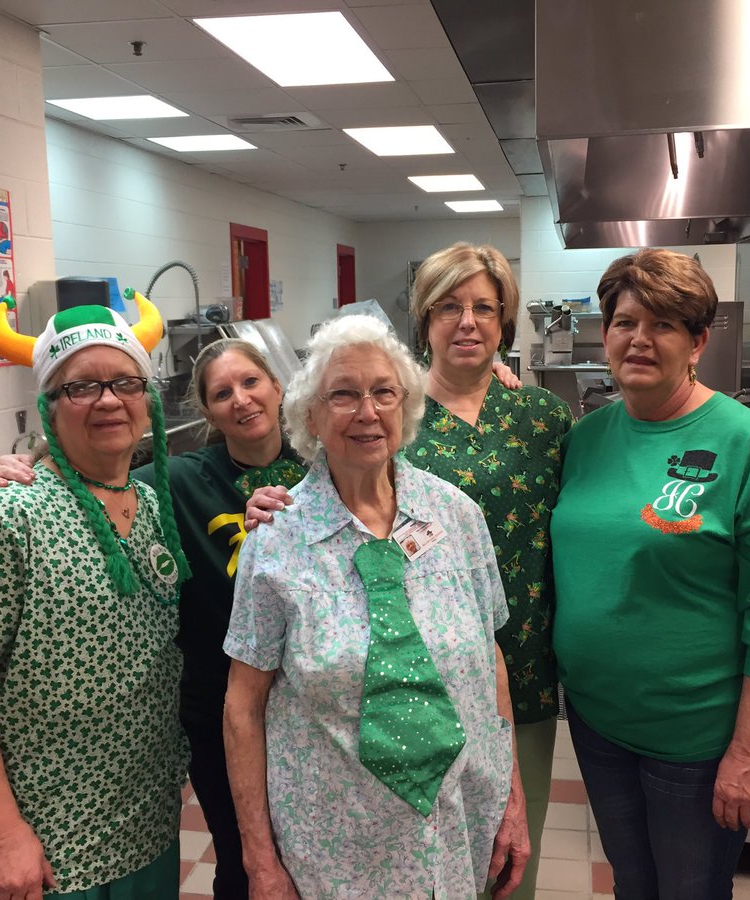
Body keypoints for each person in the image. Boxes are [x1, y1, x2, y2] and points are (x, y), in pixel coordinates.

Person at [248, 242, 570, 899]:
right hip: (350, 738)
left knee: (501, 869)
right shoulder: (385, 422)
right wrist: (265, 507)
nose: (468, 321)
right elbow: (318, 468)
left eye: (484, 307)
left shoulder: (541, 418)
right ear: (424, 319)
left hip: (507, 671)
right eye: (449, 306)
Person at [0, 337, 308, 899]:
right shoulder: (175, 481)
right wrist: (25, 465)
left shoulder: (324, 470)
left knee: (315, 857)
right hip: (217, 707)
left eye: (251, 383)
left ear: (278, 387)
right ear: (207, 411)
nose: (242, 400)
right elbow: (96, 479)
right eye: (222, 392)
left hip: (311, 703)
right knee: (247, 863)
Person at [549, 248, 750, 900]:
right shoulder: (588, 436)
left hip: (695, 740)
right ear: (605, 332)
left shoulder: (748, 445)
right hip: (596, 722)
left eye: (664, 324)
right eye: (624, 322)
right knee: (633, 886)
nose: (639, 339)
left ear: (697, 341)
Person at [0, 294, 192, 899]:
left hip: (142, 829)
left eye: (125, 382)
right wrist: (4, 836)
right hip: (36, 854)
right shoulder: (10, 517)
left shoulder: (152, 508)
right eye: (81, 388)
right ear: (49, 405)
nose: (110, 400)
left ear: (147, 399)